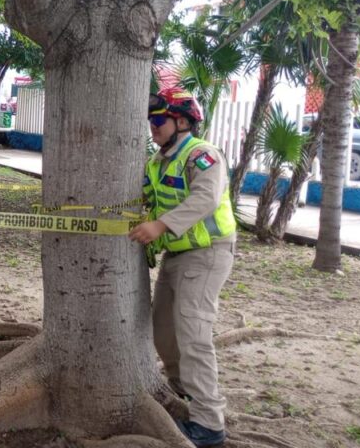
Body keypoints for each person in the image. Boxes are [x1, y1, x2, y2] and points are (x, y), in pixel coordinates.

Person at [127, 87, 236, 448]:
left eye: (159, 120)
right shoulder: (158, 162)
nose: (153, 126)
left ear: (183, 121)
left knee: (193, 334)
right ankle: (185, 396)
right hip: (176, 255)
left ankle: (209, 424)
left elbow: (205, 198)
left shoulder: (202, 155)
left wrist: (159, 226)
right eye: (151, 120)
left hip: (207, 254)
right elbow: (146, 197)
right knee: (162, 332)